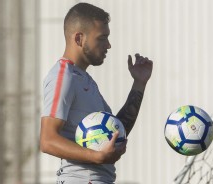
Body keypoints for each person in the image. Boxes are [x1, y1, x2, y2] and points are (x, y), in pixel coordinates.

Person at [40, 2, 153, 184]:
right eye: (102, 38)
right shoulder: (63, 76)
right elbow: (47, 140)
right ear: (79, 39)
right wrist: (97, 157)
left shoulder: (84, 79)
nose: (108, 45)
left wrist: (139, 83)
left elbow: (117, 133)